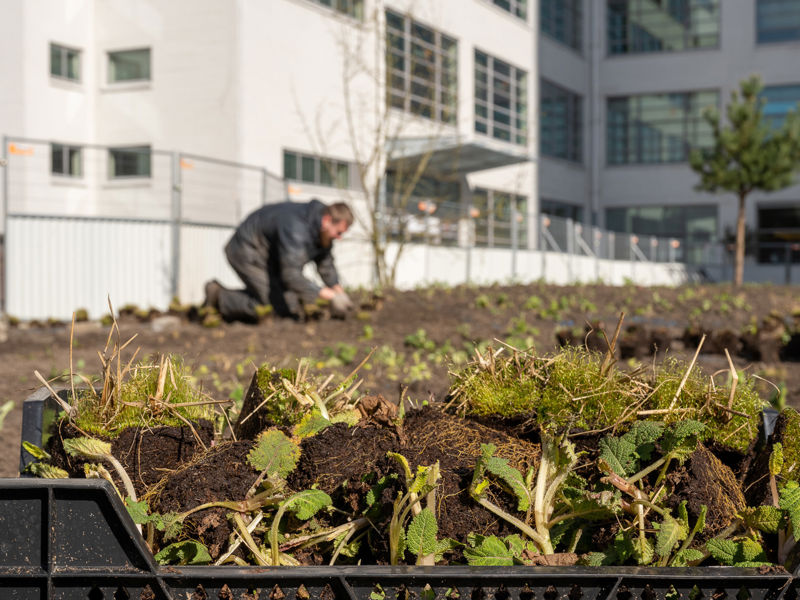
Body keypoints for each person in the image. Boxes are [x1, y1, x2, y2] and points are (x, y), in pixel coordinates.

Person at [203, 199, 355, 322]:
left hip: (268, 256)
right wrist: (331, 297)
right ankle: (219, 297)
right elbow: (290, 275)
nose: (339, 237)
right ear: (327, 220)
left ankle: (239, 298)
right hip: (247, 250)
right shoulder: (297, 228)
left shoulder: (320, 229)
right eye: (339, 232)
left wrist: (339, 291)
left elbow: (325, 262)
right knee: (276, 307)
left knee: (291, 303)